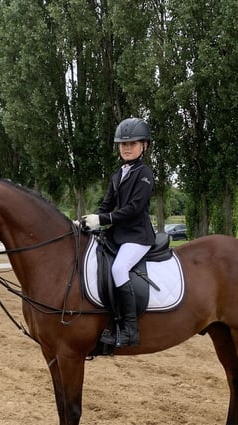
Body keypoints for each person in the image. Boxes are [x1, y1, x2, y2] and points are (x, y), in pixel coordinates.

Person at [78, 117, 155, 347]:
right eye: (123, 144)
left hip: (137, 237)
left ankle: (130, 329)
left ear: (144, 146)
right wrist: (89, 221)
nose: (127, 147)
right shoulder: (117, 174)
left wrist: (103, 219)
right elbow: (106, 205)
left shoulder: (145, 174)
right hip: (118, 235)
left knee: (119, 268)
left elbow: (134, 209)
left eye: (132, 143)